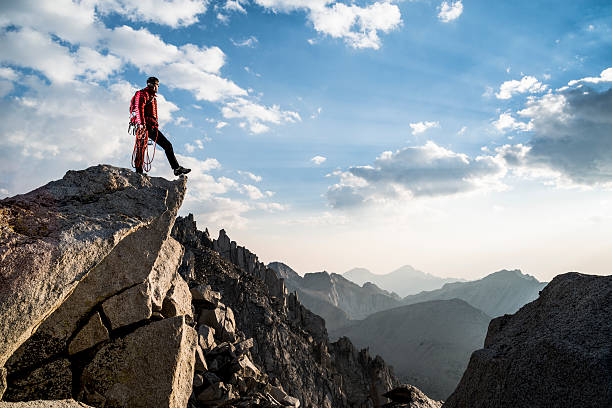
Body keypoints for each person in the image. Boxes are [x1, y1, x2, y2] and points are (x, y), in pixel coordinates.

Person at [131, 76, 190, 176]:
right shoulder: (143, 94)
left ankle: (139, 171)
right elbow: (138, 108)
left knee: (143, 147)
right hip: (145, 126)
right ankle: (175, 168)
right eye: (157, 85)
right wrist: (141, 125)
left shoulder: (149, 95)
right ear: (155, 85)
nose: (157, 88)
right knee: (163, 145)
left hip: (147, 125)